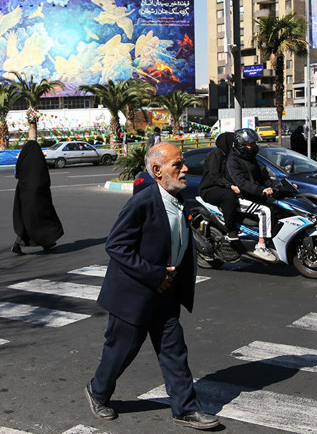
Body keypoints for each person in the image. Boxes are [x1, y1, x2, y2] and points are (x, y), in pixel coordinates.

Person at [86, 142, 220, 431]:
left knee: (174, 351)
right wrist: (155, 275)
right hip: (133, 295)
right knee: (121, 351)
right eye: (177, 165)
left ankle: (185, 408)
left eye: (183, 163)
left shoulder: (181, 199)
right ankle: (98, 392)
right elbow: (116, 246)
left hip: (165, 293)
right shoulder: (143, 202)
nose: (185, 168)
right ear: (158, 170)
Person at [225, 128, 277, 262]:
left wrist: (278, 185)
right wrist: (260, 191)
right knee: (265, 211)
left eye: (255, 143)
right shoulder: (233, 161)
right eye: (251, 144)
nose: (254, 146)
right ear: (241, 145)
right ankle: (261, 246)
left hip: (252, 195)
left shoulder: (251, 159)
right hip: (239, 198)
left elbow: (262, 178)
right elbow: (241, 183)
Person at [11, 140, 63, 254]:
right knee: (42, 220)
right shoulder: (40, 165)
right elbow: (46, 180)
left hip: (24, 196)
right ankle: (45, 242)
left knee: (28, 220)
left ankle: (43, 243)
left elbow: (16, 175)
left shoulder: (22, 163)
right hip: (40, 198)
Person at [198, 132, 241, 240]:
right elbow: (214, 176)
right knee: (228, 197)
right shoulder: (216, 154)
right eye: (232, 142)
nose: (234, 145)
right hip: (209, 189)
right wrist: (230, 186)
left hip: (221, 186)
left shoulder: (229, 155)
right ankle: (231, 230)